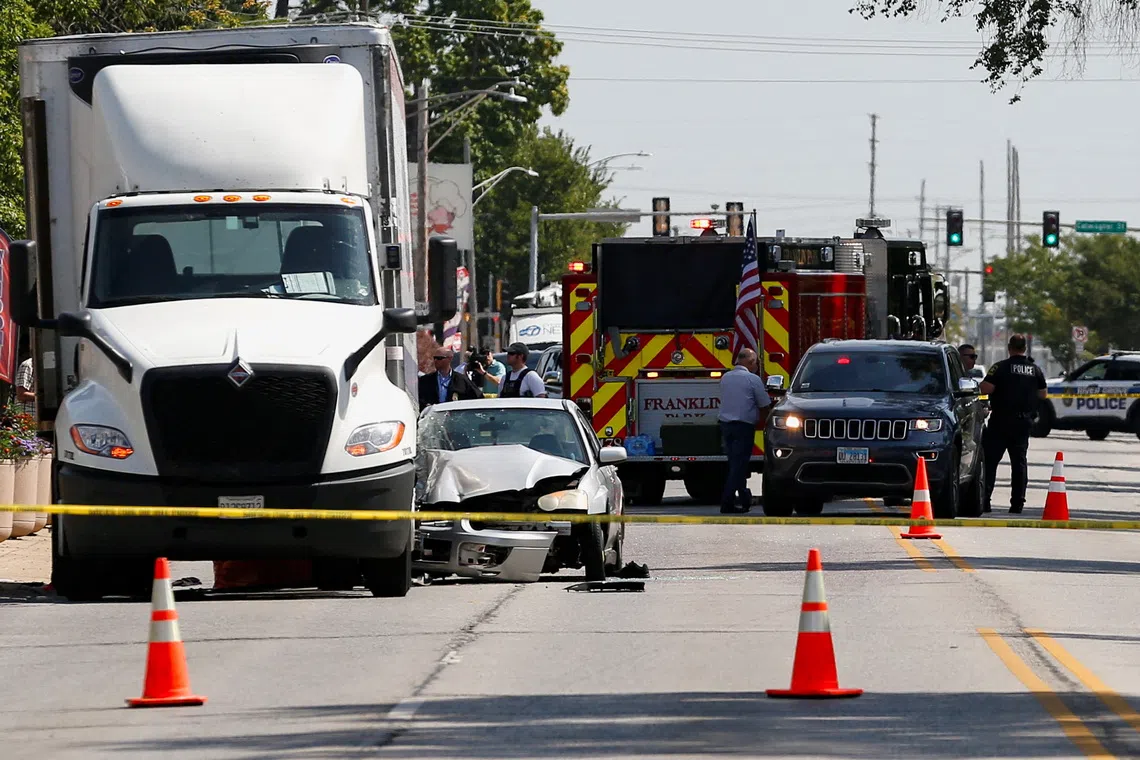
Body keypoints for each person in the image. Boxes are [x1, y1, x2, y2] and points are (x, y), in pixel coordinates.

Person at [979, 334, 1047, 514]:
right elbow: (1043, 394)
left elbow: (985, 388)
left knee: (990, 462)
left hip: (1000, 422)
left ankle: (984, 499)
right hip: (1023, 423)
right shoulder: (1035, 370)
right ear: (1025, 348)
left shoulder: (1000, 367)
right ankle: (1017, 504)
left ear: (1009, 348)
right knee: (1019, 464)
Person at [717, 347, 772, 514]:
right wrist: (768, 423)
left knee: (735, 464)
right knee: (739, 466)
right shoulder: (752, 379)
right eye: (756, 362)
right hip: (743, 427)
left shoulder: (726, 378)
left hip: (726, 426)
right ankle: (726, 502)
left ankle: (744, 498)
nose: (756, 365)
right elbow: (764, 405)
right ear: (750, 362)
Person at [471, 342, 546, 398]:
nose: (508, 355)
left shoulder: (531, 376)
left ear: (520, 356)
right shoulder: (505, 378)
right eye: (508, 353)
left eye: (511, 353)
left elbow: (541, 399)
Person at [417, 348, 483, 409]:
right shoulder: (425, 380)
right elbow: (419, 400)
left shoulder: (462, 380)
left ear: (450, 359)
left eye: (439, 358)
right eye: (434, 358)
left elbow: (478, 397)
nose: (435, 361)